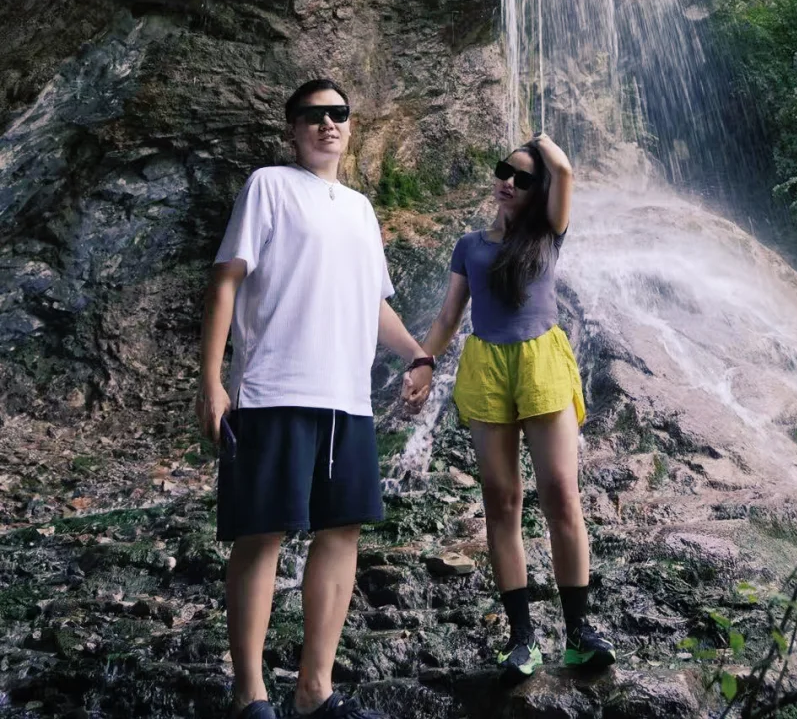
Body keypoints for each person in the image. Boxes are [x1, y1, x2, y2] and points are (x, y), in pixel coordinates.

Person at [195, 78, 434, 719]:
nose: (328, 124)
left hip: (346, 398)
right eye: (313, 116)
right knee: (262, 533)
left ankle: (314, 688)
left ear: (351, 126)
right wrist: (212, 380)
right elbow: (226, 281)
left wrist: (416, 353)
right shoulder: (268, 186)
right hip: (273, 389)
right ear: (294, 128)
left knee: (342, 531)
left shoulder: (360, 209)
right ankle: (251, 693)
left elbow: (374, 303)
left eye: (338, 115)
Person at [412, 131, 615, 683]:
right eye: (505, 170)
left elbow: (566, 173)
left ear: (537, 191)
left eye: (523, 178)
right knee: (501, 501)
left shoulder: (549, 233)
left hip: (542, 363)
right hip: (486, 367)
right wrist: (422, 361)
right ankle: (522, 637)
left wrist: (543, 143)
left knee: (559, 491)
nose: (508, 181)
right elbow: (449, 317)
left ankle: (578, 634)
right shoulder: (469, 244)